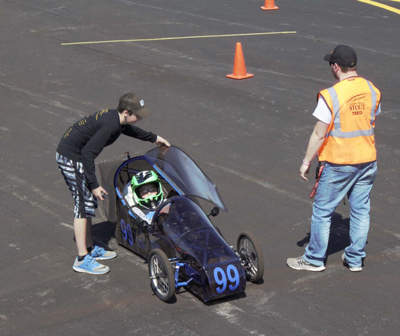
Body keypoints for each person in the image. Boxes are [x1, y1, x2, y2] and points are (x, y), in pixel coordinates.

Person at [287, 45, 381, 272]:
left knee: (322, 211)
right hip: (367, 161)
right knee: (360, 211)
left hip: (339, 163)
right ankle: (355, 259)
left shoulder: (330, 95)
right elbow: (369, 118)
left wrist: (306, 162)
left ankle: (314, 259)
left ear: (336, 67)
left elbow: (319, 133)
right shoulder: (373, 90)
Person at [56, 93, 170, 274]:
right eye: (137, 115)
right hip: (72, 157)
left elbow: (129, 130)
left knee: (87, 204)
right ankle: (82, 259)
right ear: (126, 112)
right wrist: (94, 185)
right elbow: (87, 154)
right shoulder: (110, 125)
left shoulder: (116, 119)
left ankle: (91, 248)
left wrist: (154, 137)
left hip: (78, 156)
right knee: (82, 205)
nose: (139, 119)